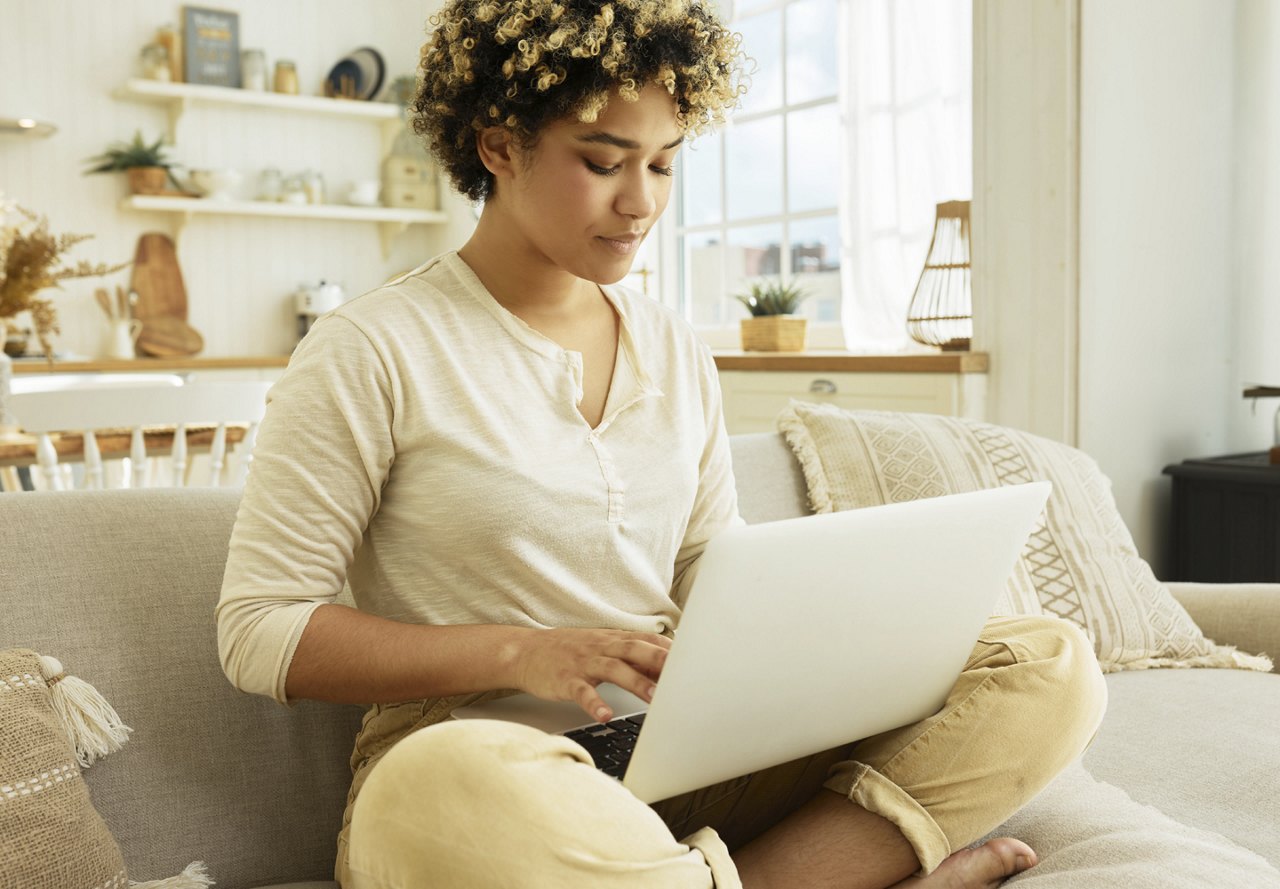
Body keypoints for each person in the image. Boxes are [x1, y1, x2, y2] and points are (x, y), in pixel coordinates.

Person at [216, 0, 1107, 885]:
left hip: (684, 750)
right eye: (602, 163)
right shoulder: (373, 346)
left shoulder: (676, 347)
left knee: (1048, 663)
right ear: (497, 146)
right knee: (438, 785)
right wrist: (524, 650)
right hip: (492, 766)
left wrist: (830, 642)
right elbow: (261, 629)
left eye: (664, 165)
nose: (640, 202)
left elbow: (708, 575)